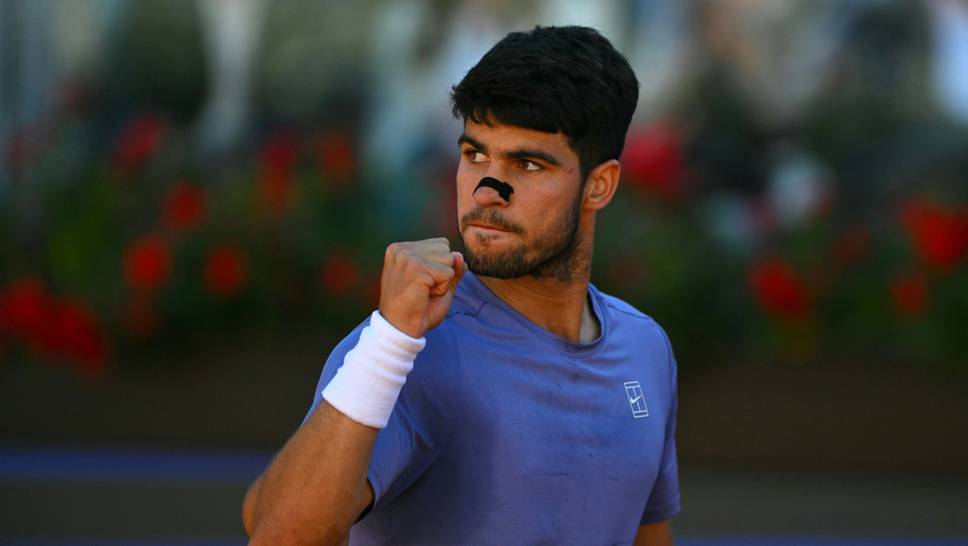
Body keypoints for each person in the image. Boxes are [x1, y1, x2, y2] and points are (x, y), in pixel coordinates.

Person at [243, 25, 680, 545]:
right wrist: (389, 343)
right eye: (475, 155)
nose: (487, 190)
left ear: (599, 185)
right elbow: (278, 535)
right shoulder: (407, 349)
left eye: (527, 164)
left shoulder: (645, 348)